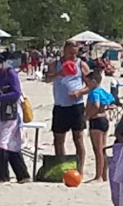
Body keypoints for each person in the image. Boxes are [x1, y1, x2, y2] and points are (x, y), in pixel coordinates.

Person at [44, 41, 93, 174]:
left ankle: (80, 170)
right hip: (60, 106)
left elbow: (92, 84)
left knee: (78, 138)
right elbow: (47, 80)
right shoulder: (55, 64)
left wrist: (80, 92)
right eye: (70, 53)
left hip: (76, 106)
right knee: (58, 139)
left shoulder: (81, 64)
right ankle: (62, 168)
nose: (73, 56)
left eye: (75, 53)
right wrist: (59, 74)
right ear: (64, 50)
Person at [0, 52, 31, 183]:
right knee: (3, 141)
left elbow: (16, 92)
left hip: (10, 110)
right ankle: (20, 175)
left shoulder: (10, 72)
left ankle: (4, 176)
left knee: (4, 141)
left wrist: (0, 97)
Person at [84, 69, 116, 182]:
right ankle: (104, 175)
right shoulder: (103, 91)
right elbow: (111, 102)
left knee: (97, 150)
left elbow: (96, 105)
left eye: (87, 82)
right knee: (102, 149)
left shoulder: (94, 92)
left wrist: (87, 116)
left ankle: (98, 176)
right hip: (104, 119)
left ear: (93, 81)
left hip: (96, 120)